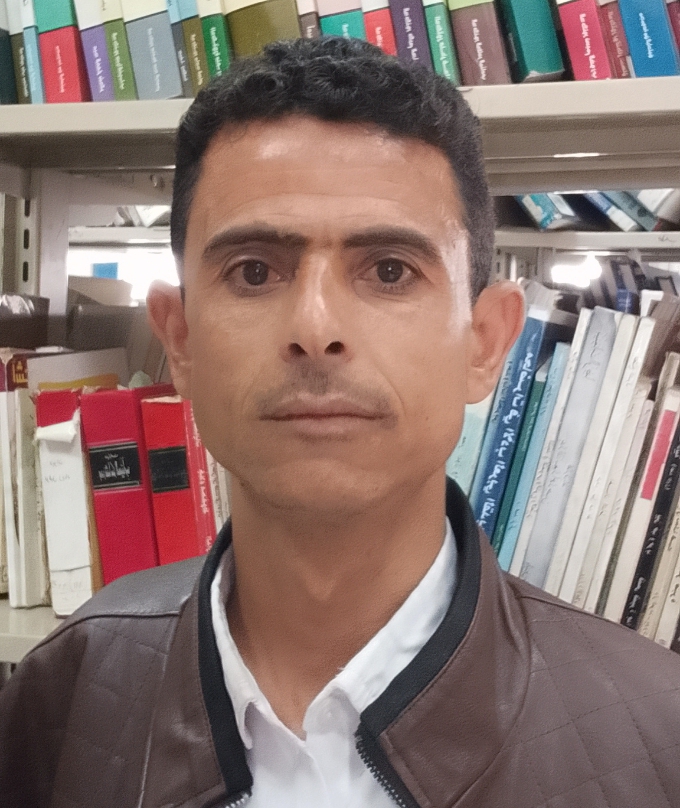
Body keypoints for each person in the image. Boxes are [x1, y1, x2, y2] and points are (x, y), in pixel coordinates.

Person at [1, 36, 680, 808]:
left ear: (486, 344)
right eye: (254, 271)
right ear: (179, 341)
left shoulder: (657, 742)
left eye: (390, 270)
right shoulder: (64, 698)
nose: (315, 327)